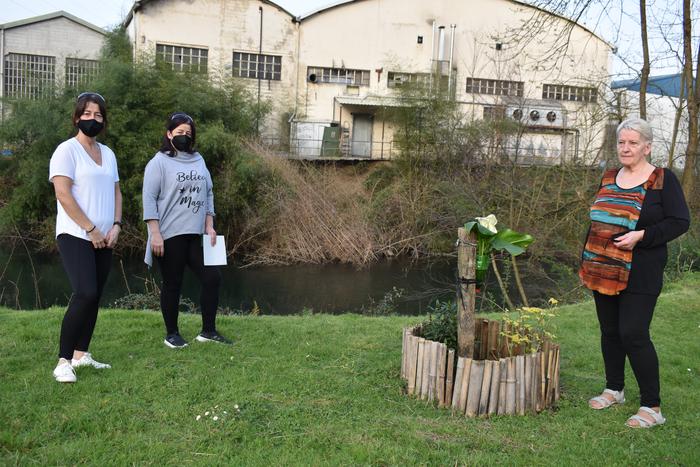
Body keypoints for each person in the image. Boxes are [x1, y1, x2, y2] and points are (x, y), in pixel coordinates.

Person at [579, 117, 690, 428]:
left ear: (647, 146)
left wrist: (642, 236)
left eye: (633, 143)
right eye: (621, 142)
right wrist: (585, 258)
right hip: (602, 267)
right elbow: (597, 219)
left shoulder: (662, 179)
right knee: (610, 332)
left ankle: (652, 407)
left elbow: (680, 221)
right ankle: (614, 389)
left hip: (641, 270)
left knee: (634, 334)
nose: (625, 148)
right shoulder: (609, 176)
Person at [49, 92, 122, 383]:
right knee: (85, 293)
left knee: (96, 297)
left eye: (99, 115)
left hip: (105, 236)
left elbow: (117, 191)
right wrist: (90, 228)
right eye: (88, 114)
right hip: (76, 233)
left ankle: (82, 355)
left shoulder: (108, 153)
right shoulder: (66, 151)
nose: (93, 119)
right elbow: (62, 194)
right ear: (77, 117)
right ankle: (63, 361)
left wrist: (116, 225)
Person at [142, 112, 231, 348]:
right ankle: (172, 334)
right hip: (169, 234)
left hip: (196, 234)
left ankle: (208, 331)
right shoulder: (158, 162)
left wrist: (209, 225)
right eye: (179, 132)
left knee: (212, 278)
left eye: (188, 133)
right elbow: (149, 199)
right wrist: (155, 234)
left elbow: (208, 192)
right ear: (169, 134)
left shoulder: (198, 160)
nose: (184, 136)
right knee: (173, 284)